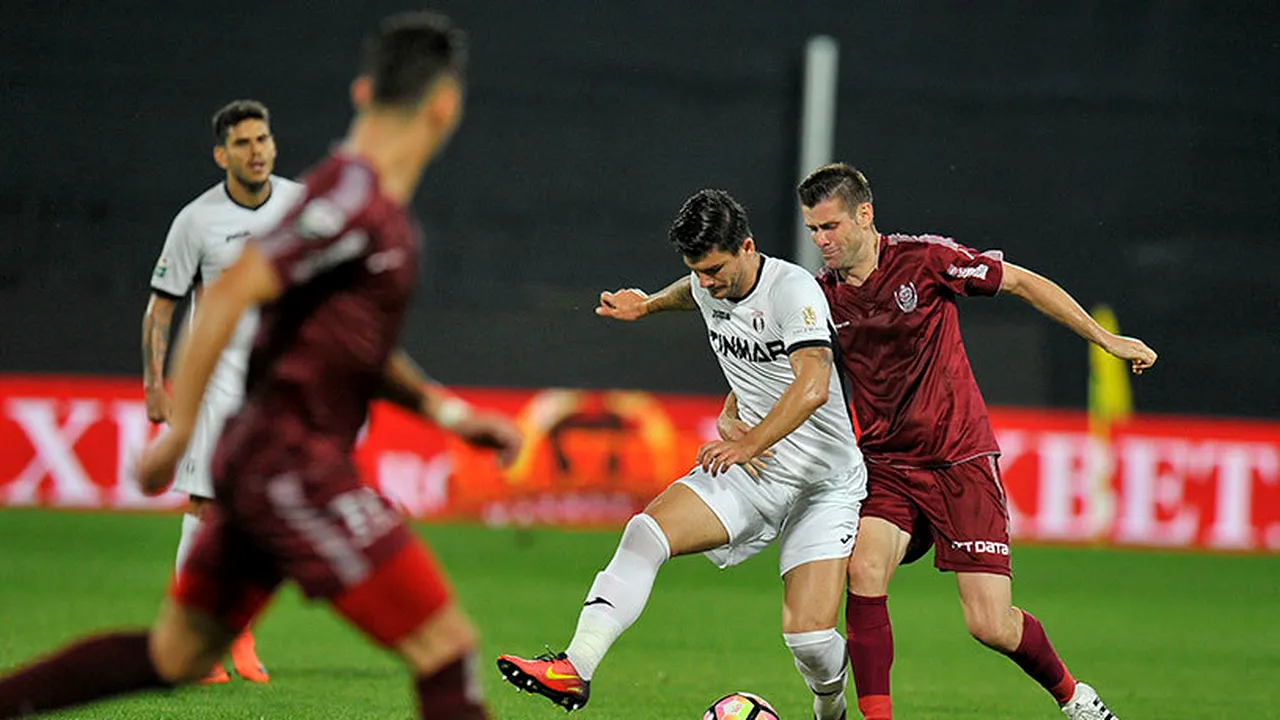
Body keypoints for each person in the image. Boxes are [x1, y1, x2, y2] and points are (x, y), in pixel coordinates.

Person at [0, 11, 521, 720]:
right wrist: (181, 432)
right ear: (445, 105)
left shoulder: (349, 203)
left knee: (174, 655)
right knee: (446, 649)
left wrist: (448, 413)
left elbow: (356, 344)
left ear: (363, 90)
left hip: (262, 462)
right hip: (293, 464)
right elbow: (234, 289)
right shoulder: (351, 198)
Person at [783, 163, 1157, 720]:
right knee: (863, 570)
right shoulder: (821, 296)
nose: (821, 241)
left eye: (830, 227)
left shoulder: (926, 260)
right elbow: (780, 355)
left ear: (864, 215)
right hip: (886, 465)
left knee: (990, 624)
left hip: (960, 458)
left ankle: (1075, 697)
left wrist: (1105, 340)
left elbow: (1025, 283)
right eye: (813, 230)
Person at [497, 189, 867, 720]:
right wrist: (647, 303)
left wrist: (745, 441)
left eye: (715, 268)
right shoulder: (705, 282)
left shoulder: (795, 291)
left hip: (822, 482)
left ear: (747, 246)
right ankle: (574, 667)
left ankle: (829, 711)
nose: (707, 282)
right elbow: (690, 293)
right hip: (757, 471)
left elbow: (813, 387)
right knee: (645, 533)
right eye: (698, 270)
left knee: (809, 639)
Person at [142, 98, 306, 685]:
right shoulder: (197, 221)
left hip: (278, 383)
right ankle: (194, 640)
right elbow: (161, 308)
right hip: (214, 382)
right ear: (221, 155)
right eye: (242, 143)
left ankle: (235, 632)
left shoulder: (297, 205)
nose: (256, 150)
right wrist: (155, 385)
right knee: (207, 507)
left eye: (262, 139)